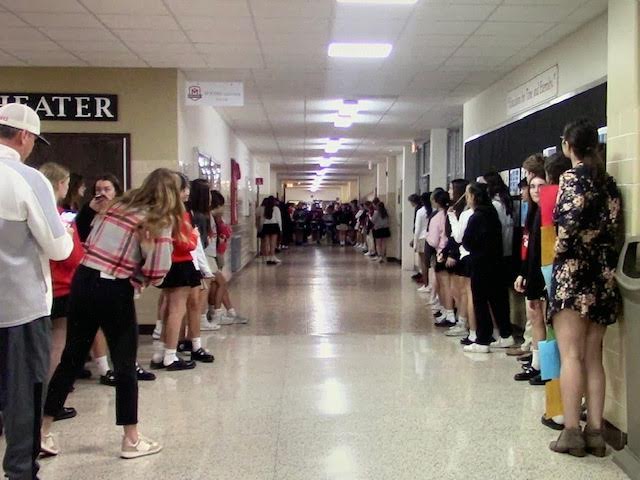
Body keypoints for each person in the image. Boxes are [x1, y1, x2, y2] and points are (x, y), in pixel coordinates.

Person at [41, 168, 182, 460]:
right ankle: (131, 439)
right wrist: (139, 275)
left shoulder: (118, 205)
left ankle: (42, 432)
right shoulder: (159, 220)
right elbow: (158, 272)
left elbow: (89, 239)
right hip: (113, 289)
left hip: (83, 280)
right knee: (125, 364)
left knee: (72, 356)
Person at [0, 103, 73, 480]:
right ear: (24, 136)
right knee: (24, 395)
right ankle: (20, 471)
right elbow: (60, 248)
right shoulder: (28, 179)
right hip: (19, 308)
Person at [548, 119, 623, 458]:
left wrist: (559, 251)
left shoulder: (570, 179)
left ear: (568, 146)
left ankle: (570, 434)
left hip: (573, 277)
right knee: (595, 356)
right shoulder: (609, 184)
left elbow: (567, 226)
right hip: (604, 277)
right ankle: (595, 431)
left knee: (571, 355)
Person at [39, 162, 85, 423]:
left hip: (37, 289)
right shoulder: (61, 216)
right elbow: (72, 255)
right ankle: (50, 398)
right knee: (58, 344)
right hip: (63, 285)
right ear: (60, 184)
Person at [150, 173, 201, 372]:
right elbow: (184, 243)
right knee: (176, 311)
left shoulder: (160, 212)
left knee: (167, 309)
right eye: (184, 188)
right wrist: (195, 237)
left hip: (168, 265)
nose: (187, 192)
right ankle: (170, 356)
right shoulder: (178, 214)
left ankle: (160, 352)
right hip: (181, 265)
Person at [462, 182, 514, 353]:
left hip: (480, 265)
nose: (467, 199)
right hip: (496, 263)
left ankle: (483, 339)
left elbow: (467, 241)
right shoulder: (492, 213)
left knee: (481, 302)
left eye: (468, 196)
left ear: (475, 197)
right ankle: (506, 334)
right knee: (498, 301)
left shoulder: (476, 217)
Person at [513, 175, 548, 383]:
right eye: (532, 186)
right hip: (532, 274)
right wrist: (523, 273)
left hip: (543, 277)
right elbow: (529, 249)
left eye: (540, 186)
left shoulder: (547, 214)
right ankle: (537, 363)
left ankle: (545, 366)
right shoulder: (533, 213)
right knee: (535, 320)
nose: (535, 190)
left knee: (541, 321)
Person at [444, 179, 470, 338]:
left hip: (461, 255)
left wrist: (452, 254)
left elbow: (458, 235)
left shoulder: (463, 212)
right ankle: (461, 320)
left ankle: (463, 322)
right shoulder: (455, 209)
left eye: (451, 189)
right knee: (456, 290)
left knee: (462, 292)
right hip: (454, 251)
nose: (449, 191)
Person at [259, 196, 283, 264]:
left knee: (266, 243)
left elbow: (261, 219)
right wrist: (280, 229)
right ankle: (272, 257)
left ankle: (267, 258)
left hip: (266, 226)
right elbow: (279, 219)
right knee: (273, 243)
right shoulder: (276, 208)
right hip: (274, 225)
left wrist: (261, 227)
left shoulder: (264, 208)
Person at [413, 193, 429, 293]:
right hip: (430, 238)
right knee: (429, 263)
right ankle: (429, 283)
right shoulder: (433, 211)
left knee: (423, 263)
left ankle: (426, 283)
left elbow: (417, 228)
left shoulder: (420, 211)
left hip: (422, 238)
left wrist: (415, 242)